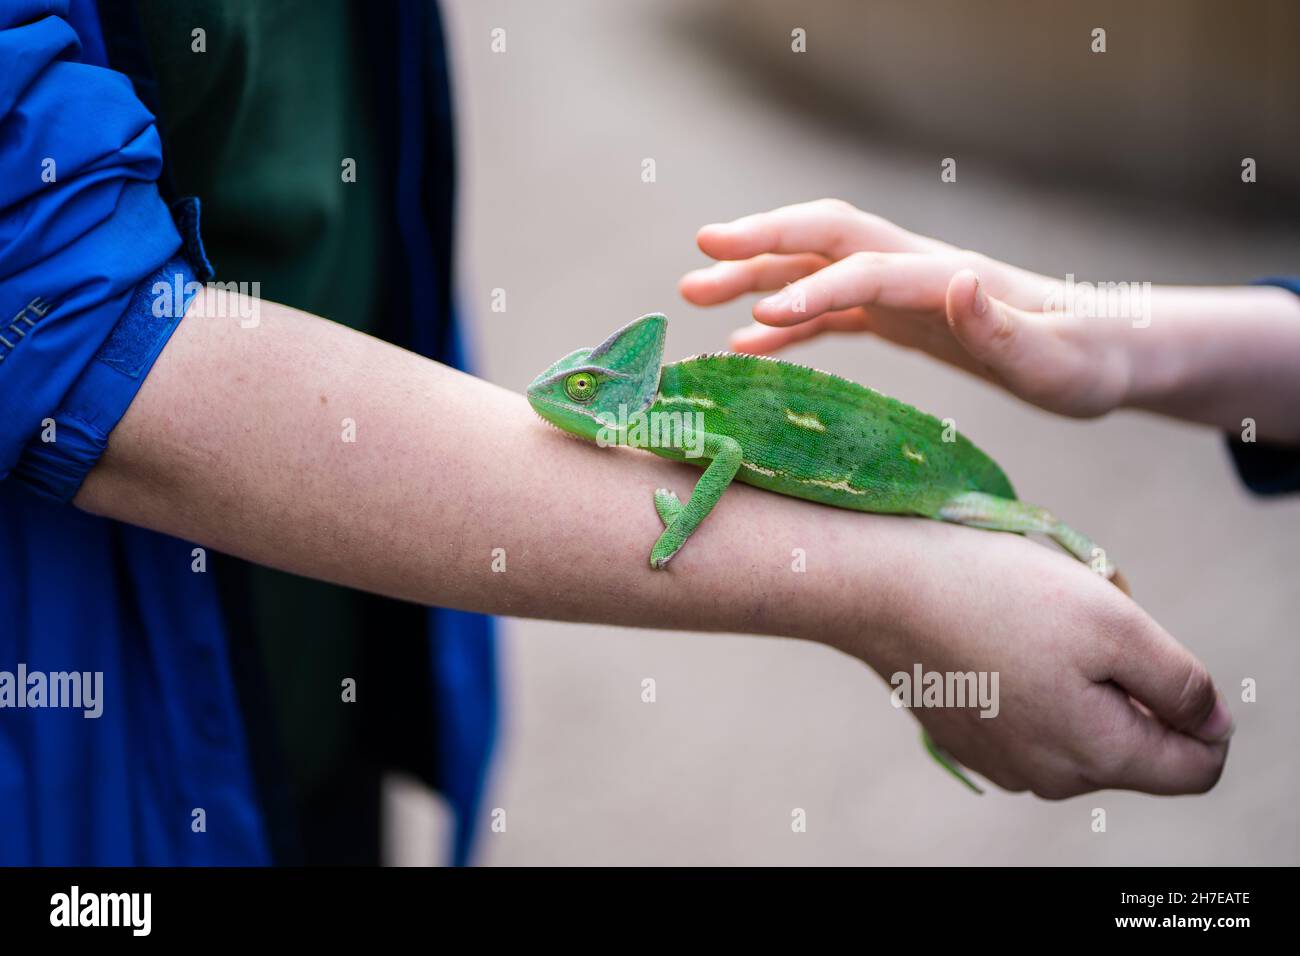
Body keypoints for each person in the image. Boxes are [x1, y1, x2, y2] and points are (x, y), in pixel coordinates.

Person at [0, 7, 1236, 868]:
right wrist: (891, 590)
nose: (583, 408)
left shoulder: (661, 413)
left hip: (322, 664)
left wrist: (1123, 356)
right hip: (99, 746)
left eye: (596, 395)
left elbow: (711, 459)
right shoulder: (637, 416)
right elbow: (70, 324)